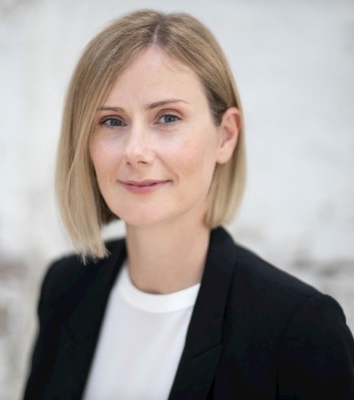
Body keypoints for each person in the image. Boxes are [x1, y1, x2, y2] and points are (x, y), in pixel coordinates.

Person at [23, 9, 354, 400]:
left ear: (225, 136)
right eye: (112, 121)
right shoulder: (65, 288)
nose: (135, 152)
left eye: (167, 117)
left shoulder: (299, 329)